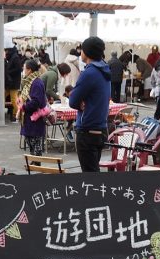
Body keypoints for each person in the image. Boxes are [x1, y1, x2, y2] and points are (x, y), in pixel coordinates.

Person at [68, 36, 111, 172]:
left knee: (90, 176)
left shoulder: (89, 73)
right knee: (93, 172)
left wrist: (79, 101)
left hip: (87, 130)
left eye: (82, 49)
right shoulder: (105, 70)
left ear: (87, 52)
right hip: (100, 128)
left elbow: (73, 100)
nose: (80, 52)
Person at [21, 59, 48, 156]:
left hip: (35, 120)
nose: (23, 70)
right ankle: (34, 162)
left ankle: (36, 163)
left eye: (24, 68)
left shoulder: (36, 83)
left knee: (36, 149)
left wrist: (23, 106)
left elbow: (36, 102)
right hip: (30, 120)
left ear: (29, 70)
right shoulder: (30, 82)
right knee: (31, 146)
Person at [5, 46, 23, 121]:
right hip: (11, 82)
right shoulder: (13, 57)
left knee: (13, 99)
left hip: (13, 82)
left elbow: (18, 69)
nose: (6, 52)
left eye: (6, 51)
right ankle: (15, 114)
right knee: (5, 97)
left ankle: (18, 114)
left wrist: (9, 72)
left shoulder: (15, 58)